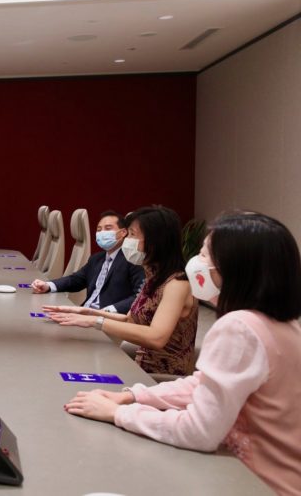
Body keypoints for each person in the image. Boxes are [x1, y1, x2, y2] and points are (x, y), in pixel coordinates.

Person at [63, 212, 301, 495]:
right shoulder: (284, 324)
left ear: (234, 268)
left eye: (203, 255)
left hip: (254, 483)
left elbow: (199, 431)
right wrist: (133, 395)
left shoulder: (239, 329)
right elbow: (203, 383)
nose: (196, 263)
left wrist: (119, 413)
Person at [44, 206, 198, 376]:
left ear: (155, 241)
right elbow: (130, 319)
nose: (127, 240)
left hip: (160, 379)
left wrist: (96, 322)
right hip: (139, 368)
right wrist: (86, 312)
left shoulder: (177, 283)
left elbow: (156, 337)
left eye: (132, 234)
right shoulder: (154, 277)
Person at [32, 210, 144, 314]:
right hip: (85, 312)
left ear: (123, 232)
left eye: (108, 228)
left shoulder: (132, 260)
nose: (102, 233)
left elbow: (139, 297)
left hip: (106, 319)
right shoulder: (96, 258)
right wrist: (48, 285)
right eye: (99, 230)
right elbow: (76, 280)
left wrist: (109, 311)